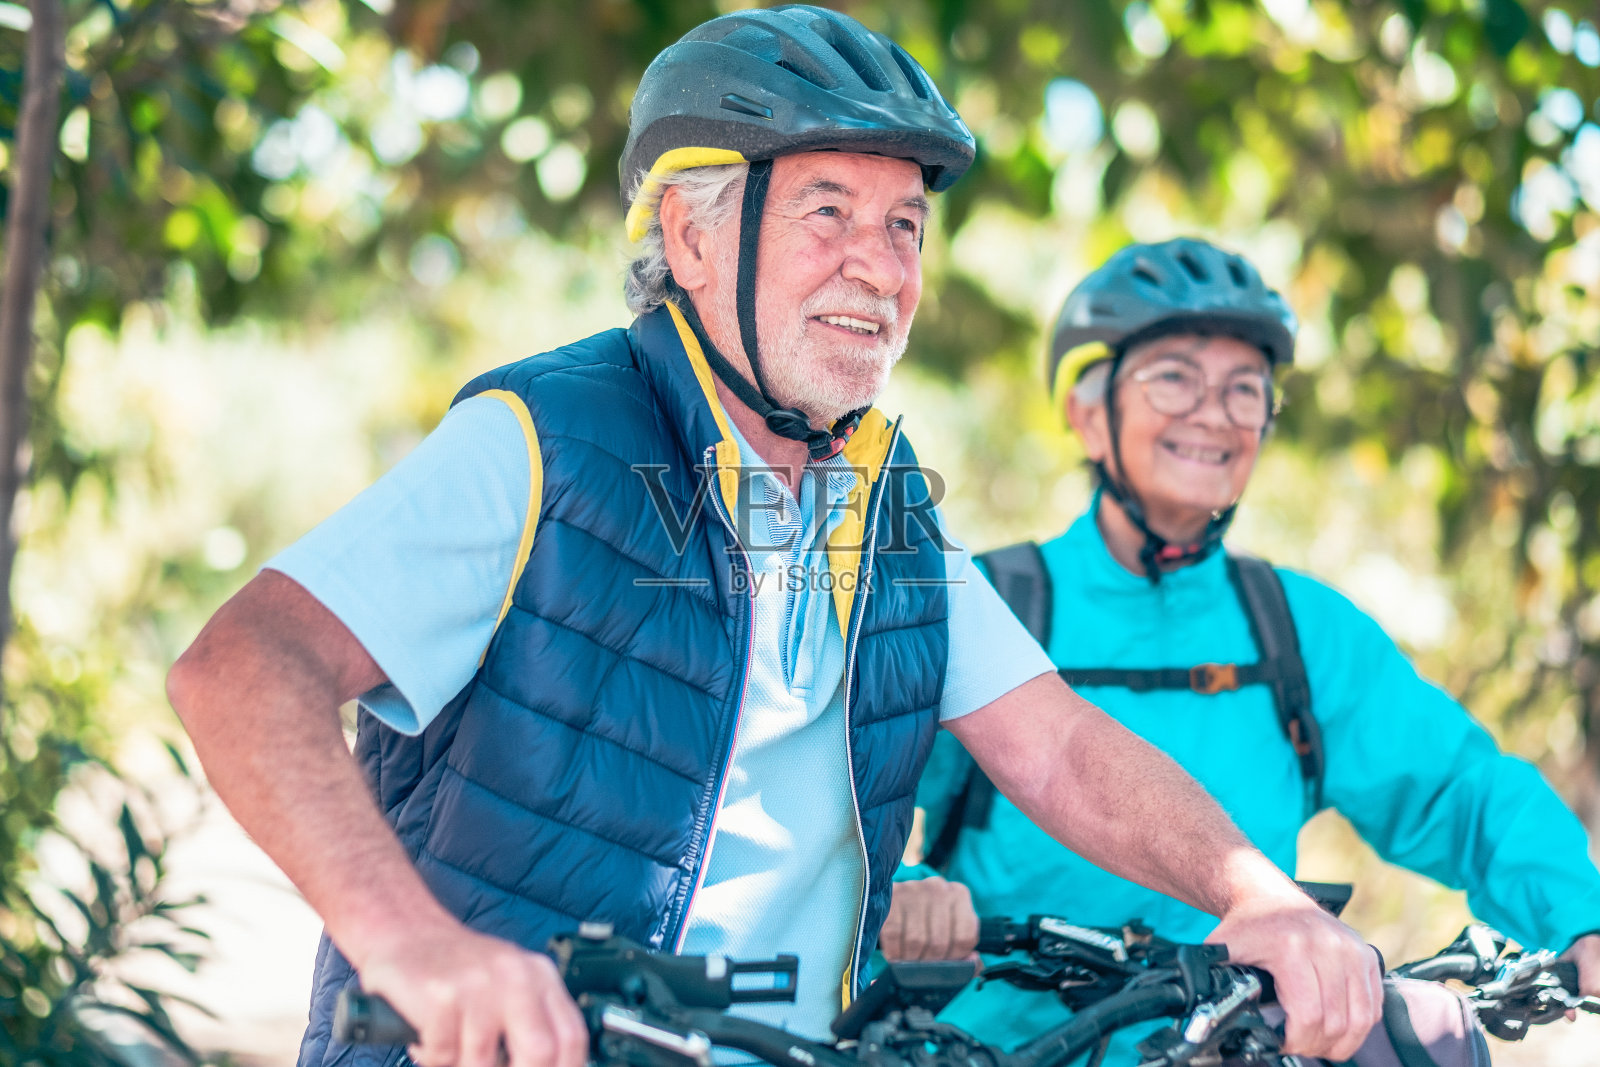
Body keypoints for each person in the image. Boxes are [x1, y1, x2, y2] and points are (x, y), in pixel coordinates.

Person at [166, 15, 1383, 1067]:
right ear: (693, 239)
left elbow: (1059, 748)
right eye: (827, 210)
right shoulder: (544, 438)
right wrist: (412, 945)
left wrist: (1259, 895)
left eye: (904, 224)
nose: (881, 267)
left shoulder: (880, 502)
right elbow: (241, 667)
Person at [882, 238, 1600, 1062]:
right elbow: (851, 803)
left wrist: (1580, 916)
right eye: (1174, 378)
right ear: (1087, 412)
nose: (1214, 413)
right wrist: (907, 894)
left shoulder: (1295, 628)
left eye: (1245, 389)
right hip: (1009, 1047)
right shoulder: (996, 604)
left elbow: (1462, 790)